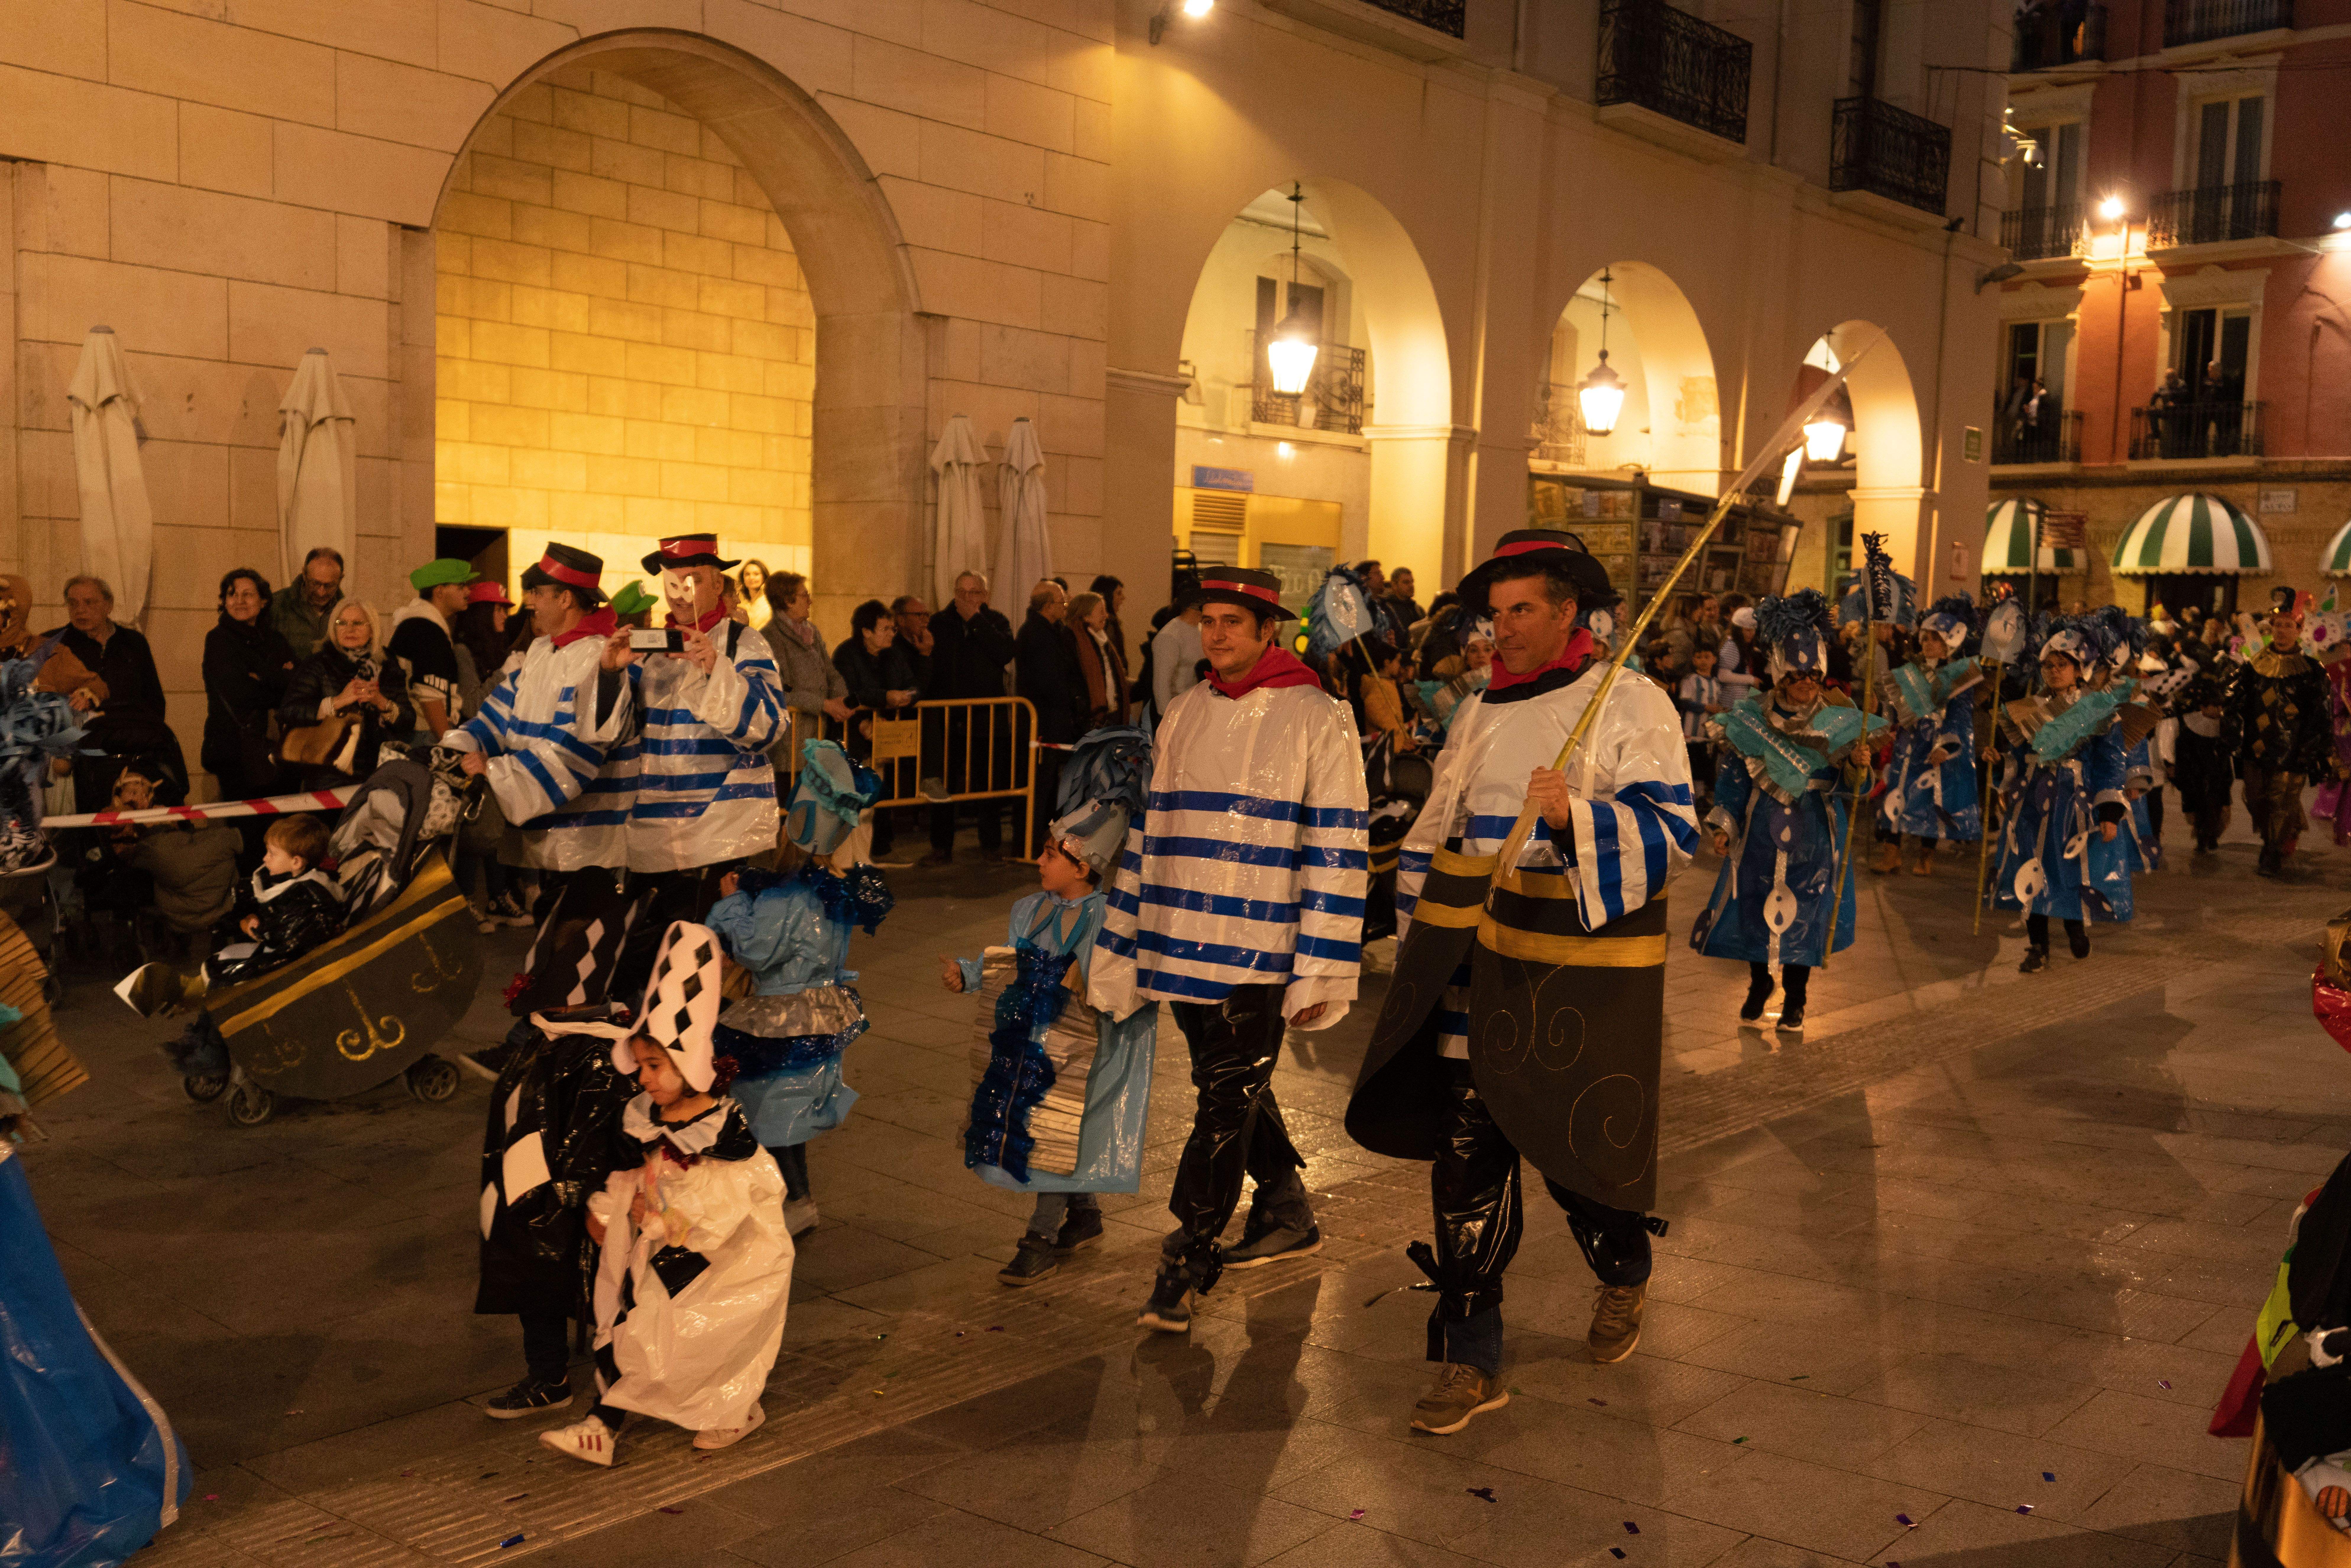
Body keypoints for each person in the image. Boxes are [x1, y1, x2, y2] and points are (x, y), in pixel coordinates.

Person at [1347, 530, 1697, 1433]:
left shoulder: (1629, 704)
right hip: (1471, 970)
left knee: (1571, 1152)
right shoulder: (1476, 712)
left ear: (1567, 612)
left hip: (1568, 977)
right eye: (1493, 613)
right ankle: (1467, 1351)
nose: (1500, 630)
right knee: (1466, 1153)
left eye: (1521, 610)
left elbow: (1672, 832)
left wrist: (1577, 816)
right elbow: (1435, 827)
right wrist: (1415, 929)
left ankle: (1621, 1265)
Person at [1090, 565, 1368, 1333]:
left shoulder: (1319, 714)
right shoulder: (1183, 710)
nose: (1216, 634)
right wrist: (1126, 940)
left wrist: (1321, 963)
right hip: (1183, 944)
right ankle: (1284, 1207)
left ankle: (1187, 1257)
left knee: (1223, 1100)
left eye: (1232, 623)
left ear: (1267, 629)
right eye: (1208, 620)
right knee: (1236, 1087)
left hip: (1262, 948)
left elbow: (1337, 845)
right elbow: (1155, 831)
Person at [541, 923, 792, 1467]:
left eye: (656, 1066)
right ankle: (602, 1423)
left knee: (700, 1336)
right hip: (662, 1246)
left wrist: (665, 1220)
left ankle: (731, 1407)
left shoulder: (721, 1130)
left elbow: (734, 1201)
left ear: (689, 1064)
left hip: (723, 1257)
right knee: (632, 1321)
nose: (646, 1079)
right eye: (643, 1066)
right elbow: (629, 1170)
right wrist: (610, 1208)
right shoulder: (646, 1117)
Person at [946, 780, 1156, 1287]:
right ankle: (1083, 1214)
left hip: (1090, 1047)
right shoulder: (1028, 908)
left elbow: (1121, 979)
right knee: (1048, 1127)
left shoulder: (1110, 917)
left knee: (1056, 1131)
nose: (1039, 862)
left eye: (1049, 854)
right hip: (1032, 1040)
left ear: (1082, 866)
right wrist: (970, 972)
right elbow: (1010, 959)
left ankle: (1038, 1239)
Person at [472, 879, 642, 1416]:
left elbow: (591, 1137)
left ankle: (583, 1383)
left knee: (578, 1291)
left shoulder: (594, 1054)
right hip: (534, 1191)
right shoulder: (548, 1037)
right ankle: (552, 1374)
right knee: (540, 1287)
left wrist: (573, 1198)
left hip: (563, 1202)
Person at [707, 742, 890, 1240]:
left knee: (770, 1112)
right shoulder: (832, 888)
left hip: (778, 1018)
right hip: (817, 1010)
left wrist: (729, 905)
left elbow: (756, 949)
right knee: (786, 1113)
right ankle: (792, 1196)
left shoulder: (785, 893)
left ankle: (792, 1199)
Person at [1696, 590, 1884, 1031]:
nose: (1806, 682)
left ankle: (1797, 999)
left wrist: (1860, 768)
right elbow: (1736, 779)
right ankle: (1760, 983)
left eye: (1813, 675)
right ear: (1779, 675)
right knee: (1756, 910)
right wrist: (1725, 825)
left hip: (1816, 833)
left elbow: (1854, 790)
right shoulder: (1751, 718)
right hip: (1760, 832)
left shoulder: (1842, 718)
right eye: (1797, 674)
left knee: (1805, 913)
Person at [618, 534, 786, 998]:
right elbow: (616, 733)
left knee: (707, 968)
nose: (680, 592)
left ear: (717, 585)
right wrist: (610, 673)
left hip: (720, 831)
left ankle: (708, 1059)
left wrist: (716, 669)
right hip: (654, 833)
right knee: (647, 963)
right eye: (672, 581)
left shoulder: (744, 642)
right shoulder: (649, 649)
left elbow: (770, 726)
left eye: (692, 579)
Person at [444, 544, 637, 911]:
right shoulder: (542, 650)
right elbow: (498, 714)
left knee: (578, 939)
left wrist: (496, 771)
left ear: (565, 599)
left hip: (585, 839)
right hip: (550, 833)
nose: (529, 602)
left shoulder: (595, 654)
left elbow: (576, 748)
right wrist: (458, 746)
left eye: (537, 593)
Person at [1992, 616, 2134, 971]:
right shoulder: (2028, 709)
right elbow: (2016, 758)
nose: (2053, 672)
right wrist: (1999, 768)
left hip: (2075, 804)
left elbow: (2109, 762)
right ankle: (2037, 946)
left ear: (2078, 670)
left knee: (2070, 868)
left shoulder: (2098, 710)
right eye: (2048, 666)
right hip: (2030, 802)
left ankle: (2075, 927)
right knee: (2031, 866)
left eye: (2062, 666)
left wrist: (2109, 813)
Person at [48, 574, 175, 812]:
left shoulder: (134, 643)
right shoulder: (56, 645)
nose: (80, 610)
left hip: (135, 749)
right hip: (83, 753)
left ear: (109, 605)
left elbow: (154, 699)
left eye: (89, 602)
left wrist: (150, 738)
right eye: (73, 603)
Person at [1878, 597, 1984, 875]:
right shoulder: (1909, 671)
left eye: (1934, 639)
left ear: (1949, 643)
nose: (1927, 644)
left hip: (1936, 743)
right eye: (1924, 639)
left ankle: (1926, 856)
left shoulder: (1961, 675)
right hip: (1908, 744)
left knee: (1932, 799)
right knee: (1898, 793)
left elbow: (1961, 715)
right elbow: (1895, 706)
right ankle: (1892, 854)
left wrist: (1946, 746)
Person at [449, 581, 530, 930]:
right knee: (474, 826)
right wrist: (505, 675)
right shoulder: (463, 652)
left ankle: (499, 896)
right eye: (498, 609)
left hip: (499, 750)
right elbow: (471, 704)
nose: (504, 616)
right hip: (472, 750)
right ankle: (468, 899)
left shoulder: (500, 648)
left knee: (498, 827)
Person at [2232, 605, 2335, 877]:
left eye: (2289, 626)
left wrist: (2317, 750)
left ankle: (2272, 850)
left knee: (2282, 802)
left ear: (2300, 631)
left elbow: (2322, 713)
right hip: (2256, 747)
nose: (2282, 631)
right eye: (2278, 625)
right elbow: (2237, 701)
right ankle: (2277, 836)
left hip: (2294, 750)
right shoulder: (2254, 666)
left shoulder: (2312, 671)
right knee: (2255, 798)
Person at [924, 571, 1019, 865]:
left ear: (985, 596)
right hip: (948, 716)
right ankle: (941, 847)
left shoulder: (996, 621)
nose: (967, 599)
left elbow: (1004, 653)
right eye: (962, 593)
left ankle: (989, 845)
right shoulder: (940, 623)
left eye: (974, 592)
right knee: (943, 783)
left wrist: (975, 621)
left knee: (987, 783)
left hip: (985, 717)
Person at [199, 567, 294, 857]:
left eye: (247, 594)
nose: (239, 601)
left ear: (264, 601)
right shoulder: (219, 640)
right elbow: (240, 694)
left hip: (277, 749)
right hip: (236, 752)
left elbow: (297, 685)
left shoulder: (276, 640)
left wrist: (261, 676)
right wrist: (277, 677)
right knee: (248, 833)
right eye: (232, 594)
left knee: (280, 829)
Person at [276, 600, 414, 791]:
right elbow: (288, 712)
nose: (349, 629)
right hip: (328, 770)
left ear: (372, 629)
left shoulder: (389, 666)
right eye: (342, 623)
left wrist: (382, 702)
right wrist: (337, 702)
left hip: (380, 769)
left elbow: (408, 721)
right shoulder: (318, 665)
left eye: (358, 623)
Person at [1016, 580, 1087, 853]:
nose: (1066, 607)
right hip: (1042, 720)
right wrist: (1069, 699)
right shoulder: (1036, 634)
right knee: (1039, 783)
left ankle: (1043, 838)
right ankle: (1029, 842)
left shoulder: (1053, 631)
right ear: (1048, 606)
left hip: (1053, 718)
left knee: (1050, 783)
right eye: (1063, 603)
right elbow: (1050, 680)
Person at [387, 558, 479, 742]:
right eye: (461, 586)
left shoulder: (420, 625)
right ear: (439, 591)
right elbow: (429, 698)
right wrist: (448, 744)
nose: (468, 592)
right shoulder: (427, 631)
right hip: (423, 734)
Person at [763, 570, 850, 736]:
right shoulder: (771, 637)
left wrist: (842, 700)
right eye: (805, 596)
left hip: (818, 729)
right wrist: (823, 705)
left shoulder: (812, 632)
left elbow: (831, 673)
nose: (810, 601)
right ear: (789, 601)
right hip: (791, 735)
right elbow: (778, 690)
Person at [1675, 643, 1726, 811]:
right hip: (1691, 731)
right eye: (1699, 657)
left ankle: (1702, 796)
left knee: (1704, 764)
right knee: (1692, 763)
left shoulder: (1717, 683)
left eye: (1707, 657)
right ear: (1693, 660)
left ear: (1714, 660)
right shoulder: (1690, 680)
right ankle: (1691, 797)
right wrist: (1706, 708)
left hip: (1707, 733)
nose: (1703, 661)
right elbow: (1684, 702)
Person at [270, 546, 344, 659]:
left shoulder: (348, 612)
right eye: (315, 584)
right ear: (304, 575)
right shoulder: (276, 605)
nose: (321, 593)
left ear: (341, 580)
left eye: (329, 586)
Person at [1068, 590, 1129, 728]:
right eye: (1101, 611)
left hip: (1113, 713)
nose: (1106, 616)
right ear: (1086, 616)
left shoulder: (1103, 639)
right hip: (1091, 720)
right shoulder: (1073, 641)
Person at [1148, 595, 1205, 722]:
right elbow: (1161, 683)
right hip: (1176, 712)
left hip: (1195, 709)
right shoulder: (1170, 636)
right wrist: (1167, 718)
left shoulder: (1201, 630)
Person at [1088, 574, 1130, 689]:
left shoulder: (1110, 623)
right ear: (1108, 595)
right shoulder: (1107, 626)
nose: (1123, 598)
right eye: (1119, 593)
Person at [888, 595, 933, 694]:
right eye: (919, 615)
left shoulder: (930, 643)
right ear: (902, 620)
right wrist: (925, 654)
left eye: (927, 615)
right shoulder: (892, 649)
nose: (925, 620)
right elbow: (913, 688)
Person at [736, 559, 772, 631]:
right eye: (747, 574)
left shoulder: (771, 601)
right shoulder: (739, 602)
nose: (751, 578)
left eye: (756, 574)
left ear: (764, 577)